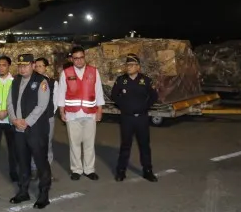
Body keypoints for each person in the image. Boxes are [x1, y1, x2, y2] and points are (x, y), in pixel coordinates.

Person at [7, 54, 51, 209]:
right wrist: (14, 119)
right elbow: (9, 102)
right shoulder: (16, 80)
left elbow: (42, 105)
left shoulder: (41, 81)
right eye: (20, 65)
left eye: (25, 65)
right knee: (22, 162)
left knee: (41, 162)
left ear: (33, 65)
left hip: (35, 129)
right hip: (19, 128)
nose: (22, 68)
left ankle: (44, 194)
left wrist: (26, 122)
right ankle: (23, 191)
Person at [57, 45, 104, 181]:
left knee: (89, 144)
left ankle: (89, 170)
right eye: (76, 58)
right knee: (74, 143)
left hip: (90, 113)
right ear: (72, 59)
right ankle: (76, 169)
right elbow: (61, 93)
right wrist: (61, 111)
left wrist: (100, 110)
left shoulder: (94, 72)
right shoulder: (66, 73)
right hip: (72, 114)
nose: (79, 61)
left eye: (81, 58)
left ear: (84, 57)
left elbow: (98, 91)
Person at [110, 53, 159, 182]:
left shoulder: (146, 80)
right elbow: (114, 95)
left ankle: (147, 171)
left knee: (144, 145)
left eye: (132, 65)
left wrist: (145, 107)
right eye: (128, 65)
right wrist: (123, 106)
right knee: (125, 145)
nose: (129, 67)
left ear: (138, 67)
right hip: (127, 118)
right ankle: (121, 171)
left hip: (141, 118)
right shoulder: (121, 80)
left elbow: (154, 96)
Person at [0, 56, 18, 182]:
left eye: (4, 65)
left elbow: (17, 100)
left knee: (13, 149)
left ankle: (13, 172)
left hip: (10, 120)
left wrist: (7, 111)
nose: (1, 67)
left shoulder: (15, 81)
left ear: (9, 66)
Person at [31, 57, 57, 180]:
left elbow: (55, 101)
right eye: (36, 66)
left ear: (46, 67)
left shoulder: (52, 82)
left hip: (48, 118)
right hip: (34, 119)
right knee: (34, 143)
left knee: (47, 144)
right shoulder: (30, 81)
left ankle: (47, 170)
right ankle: (34, 169)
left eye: (41, 66)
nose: (38, 68)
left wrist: (50, 113)